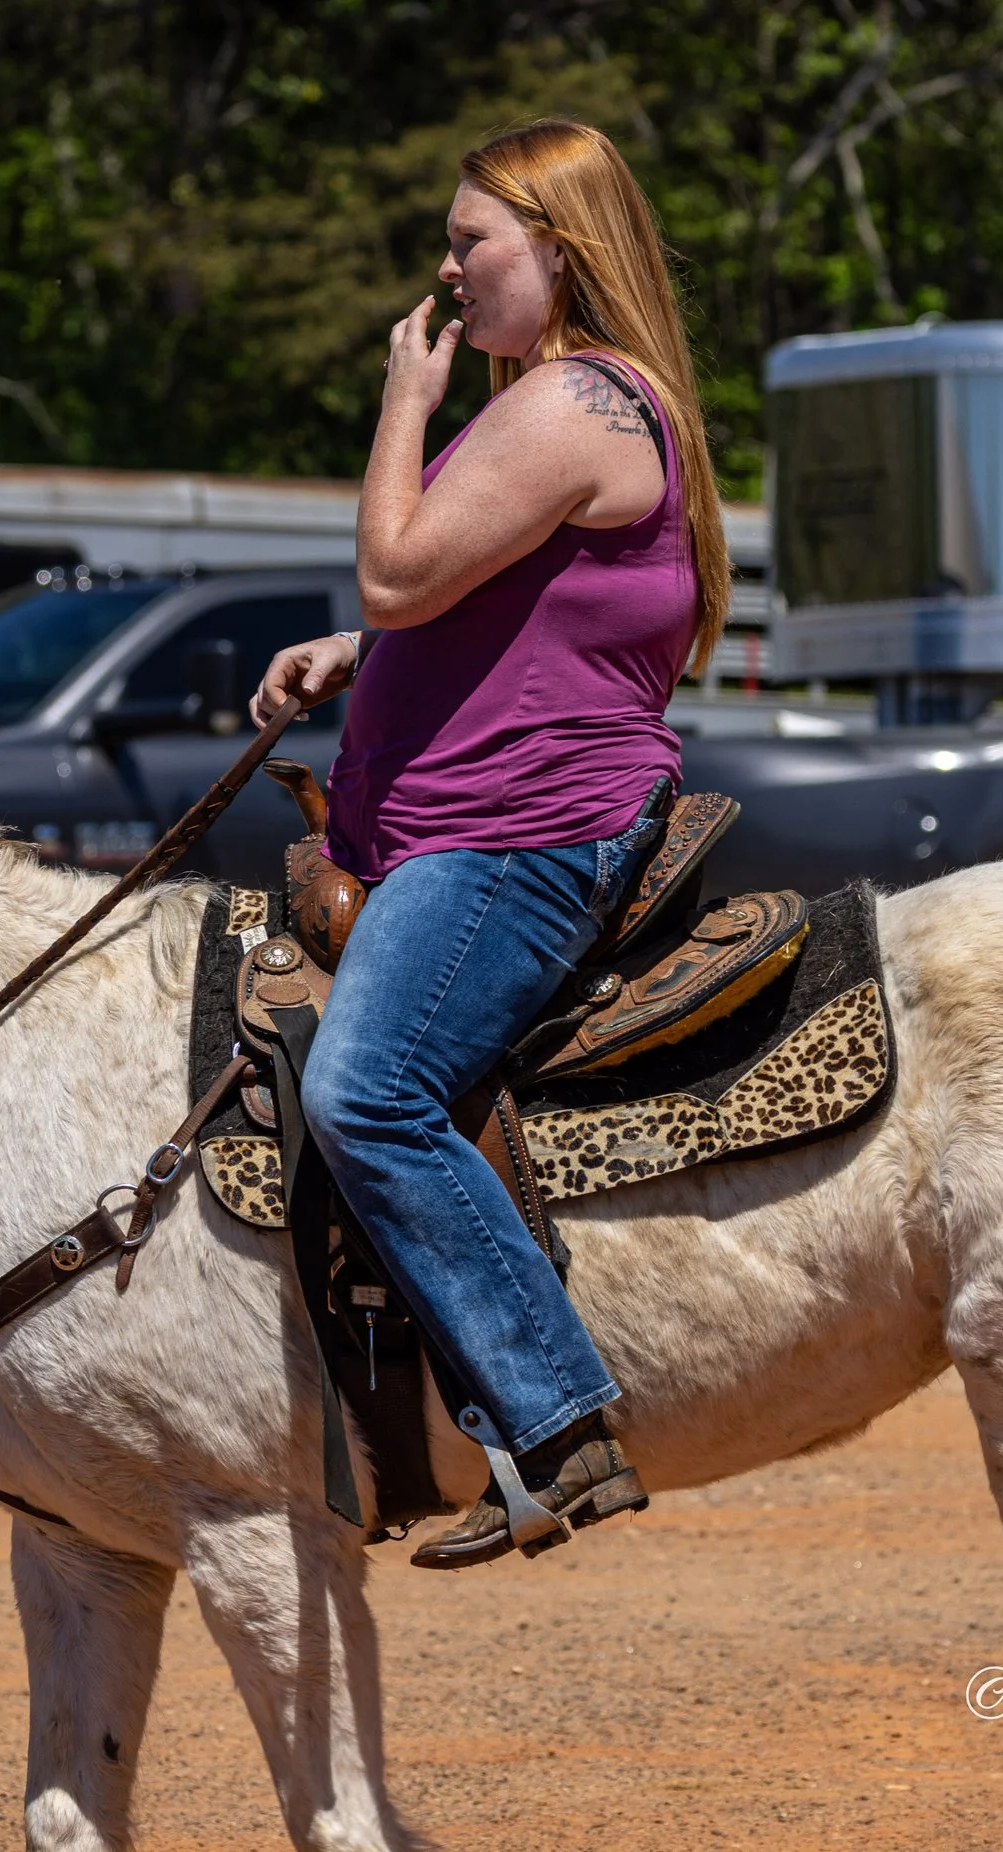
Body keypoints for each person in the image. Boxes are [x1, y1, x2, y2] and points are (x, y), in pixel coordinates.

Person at [248, 118, 731, 1570]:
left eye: (474, 243)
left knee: (369, 1089)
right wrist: (362, 654)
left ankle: (556, 1421)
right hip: (502, 814)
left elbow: (400, 569)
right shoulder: (595, 401)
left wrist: (404, 402)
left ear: (560, 251)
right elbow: (512, 609)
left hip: (516, 836)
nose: (448, 273)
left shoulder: (571, 398)